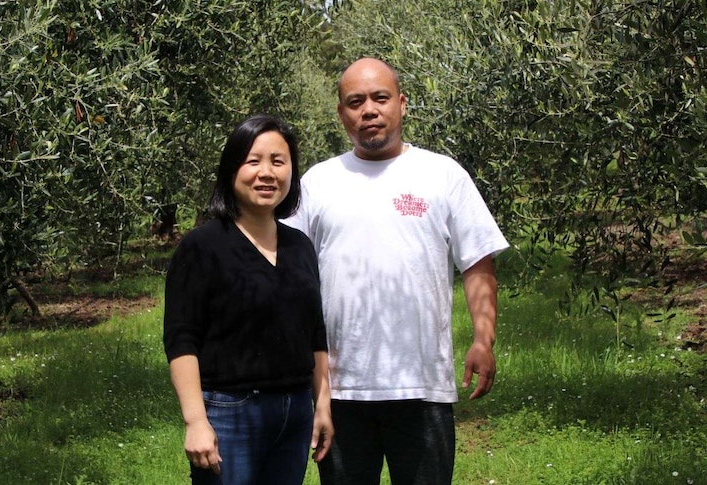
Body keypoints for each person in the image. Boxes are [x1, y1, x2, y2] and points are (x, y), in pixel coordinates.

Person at [283, 58, 510, 484]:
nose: (369, 109)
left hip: (423, 388)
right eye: (356, 101)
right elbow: (290, 278)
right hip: (340, 392)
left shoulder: (443, 175)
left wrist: (484, 339)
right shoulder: (317, 182)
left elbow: (478, 262)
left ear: (402, 104)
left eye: (380, 98)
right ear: (341, 114)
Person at [163, 114, 333, 485]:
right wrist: (195, 420)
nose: (267, 173)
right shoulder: (203, 246)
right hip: (230, 411)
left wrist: (322, 403)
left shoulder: (299, 246)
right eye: (253, 161)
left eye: (278, 161)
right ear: (231, 169)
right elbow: (181, 338)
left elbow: (314, 333)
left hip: (295, 412)